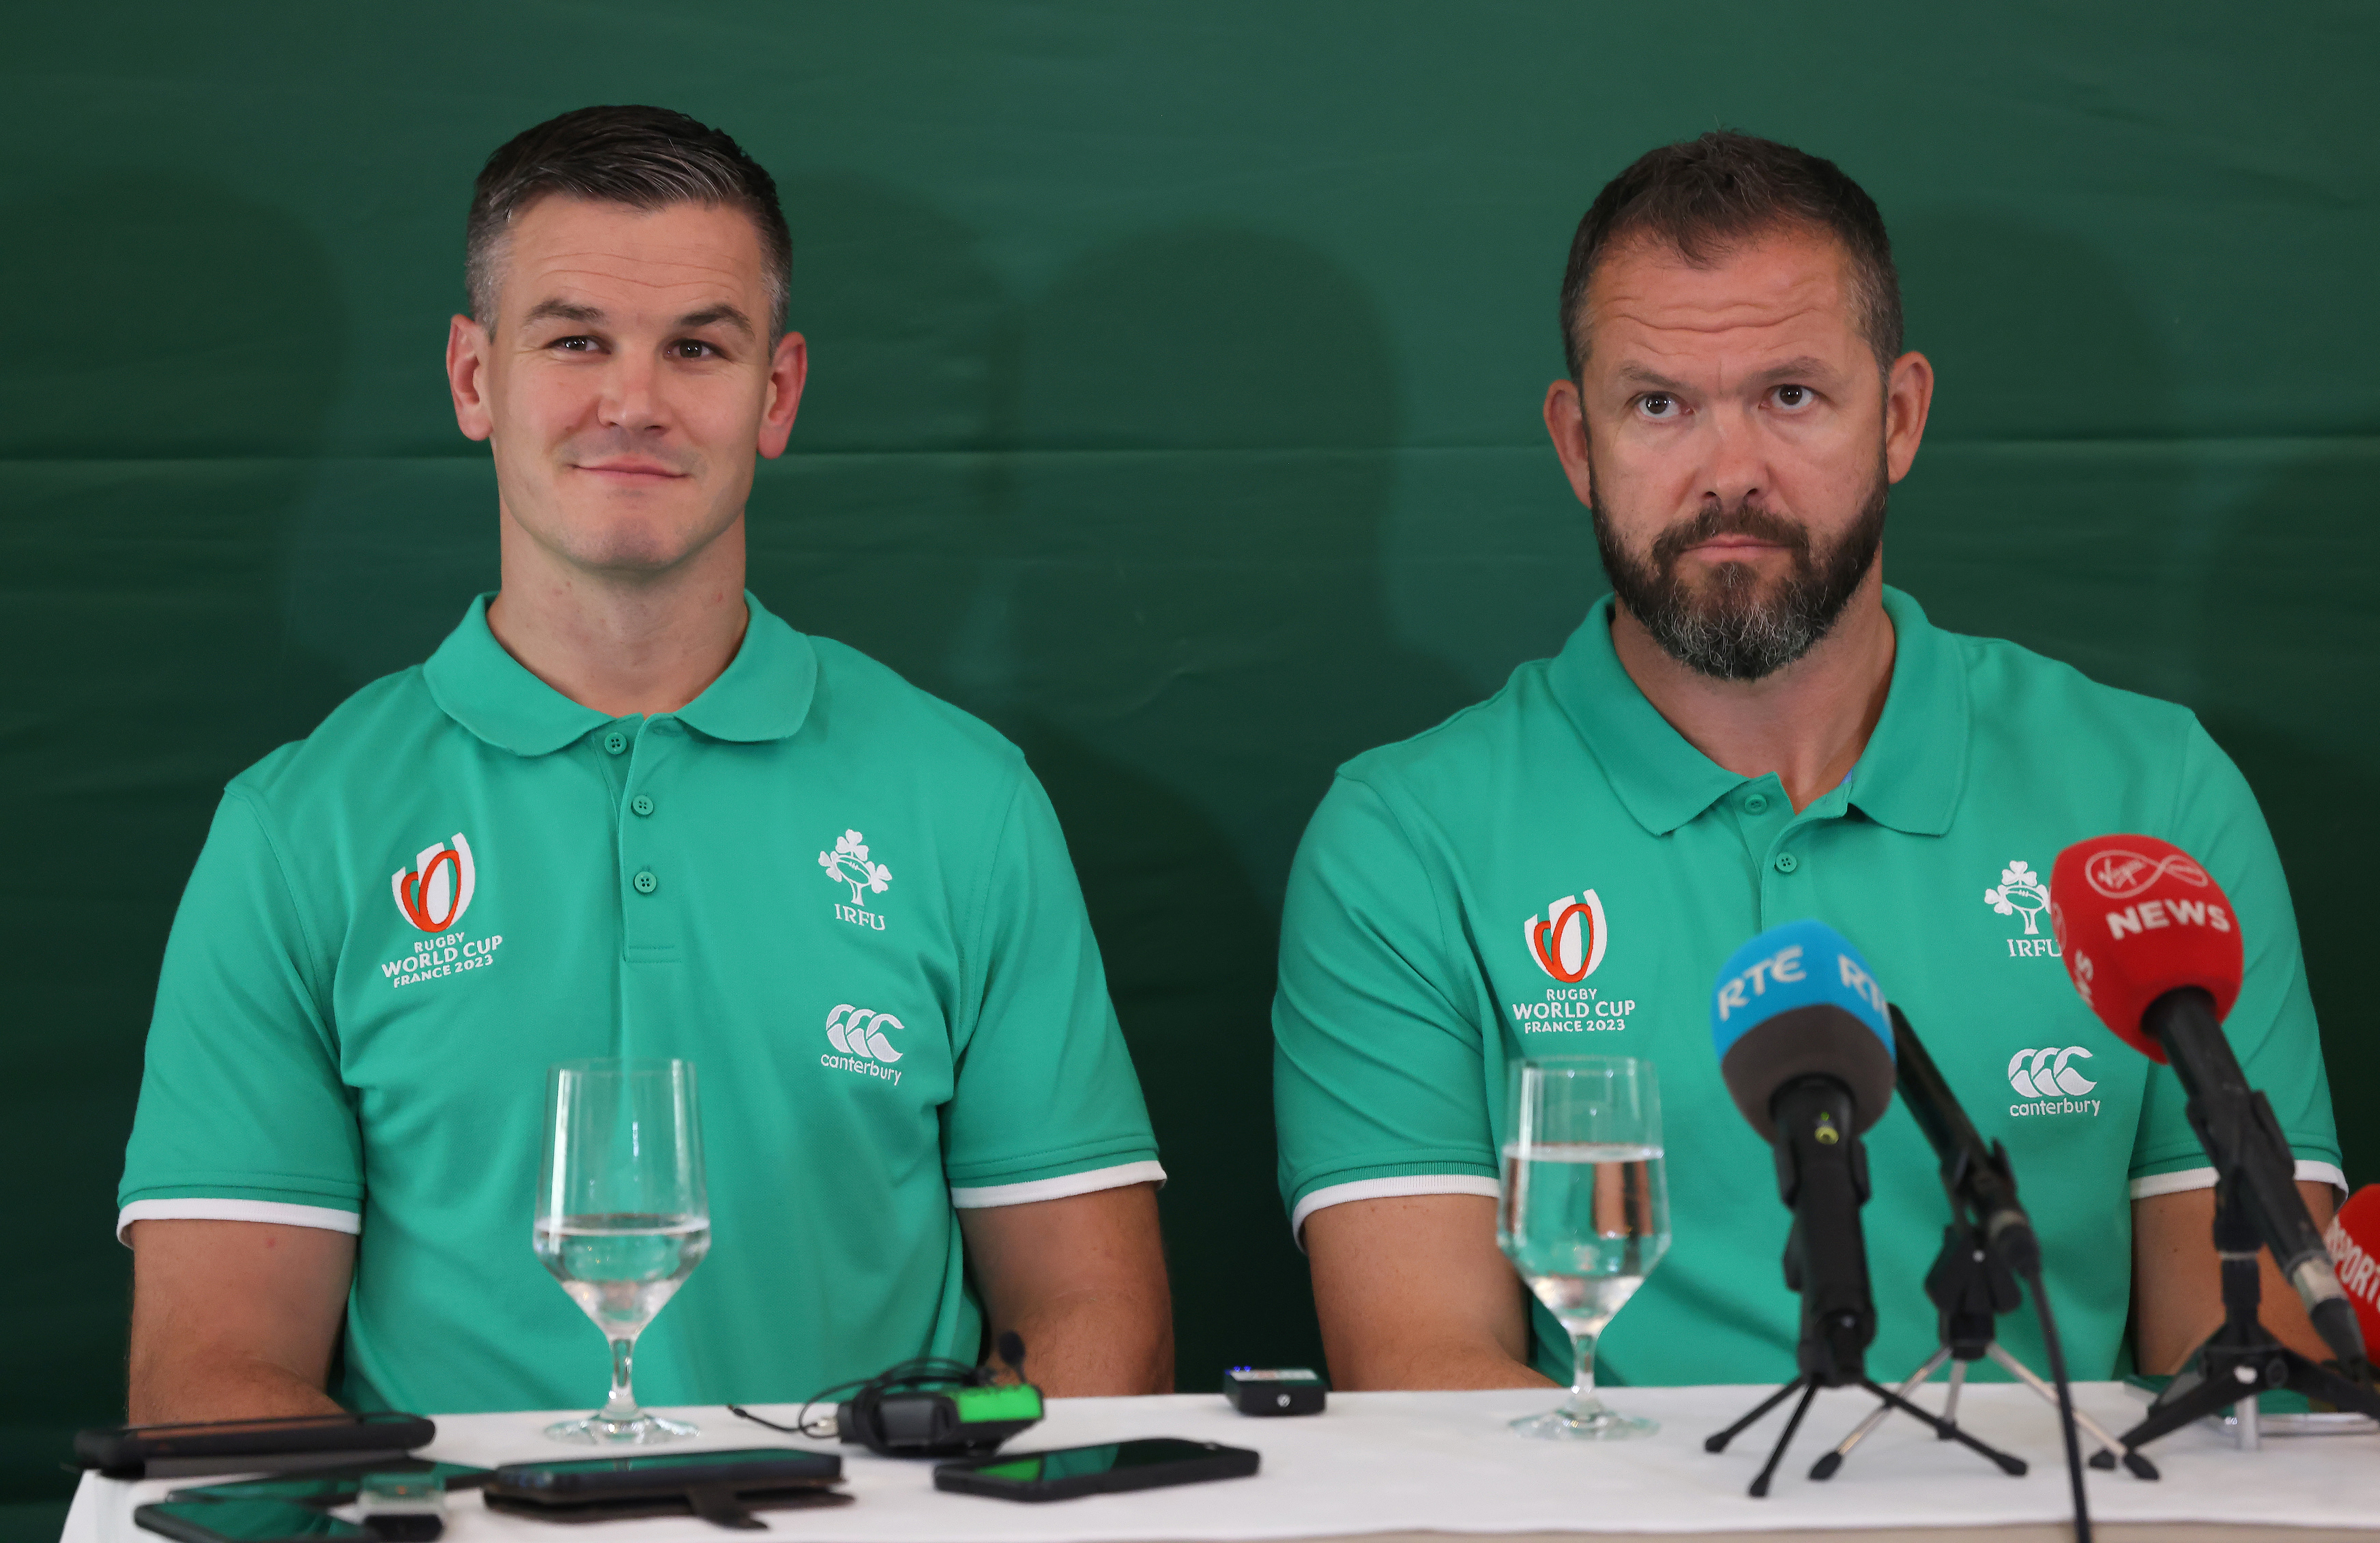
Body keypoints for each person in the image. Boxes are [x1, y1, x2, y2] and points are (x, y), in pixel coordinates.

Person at [117, 106, 1172, 1421]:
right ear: (472, 378)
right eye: (574, 341)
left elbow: (1093, 1318)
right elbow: (213, 1369)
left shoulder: (969, 800)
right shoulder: (295, 829)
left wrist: (947, 1508)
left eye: (697, 347)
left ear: (775, 393)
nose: (634, 401)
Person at [1272, 131, 2344, 1391]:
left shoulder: (2156, 797)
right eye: (1658, 404)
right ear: (1577, 445)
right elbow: (1426, 1380)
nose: (1730, 476)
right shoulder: (1406, 840)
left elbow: (2255, 1378)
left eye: (1790, 395)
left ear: (1897, 417)